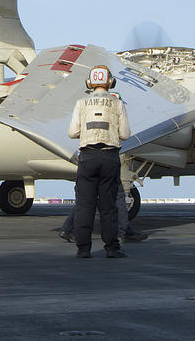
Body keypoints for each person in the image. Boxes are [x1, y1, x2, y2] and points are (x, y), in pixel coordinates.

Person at [68, 65, 130, 258]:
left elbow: (72, 133)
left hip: (87, 157)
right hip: (109, 157)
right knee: (108, 206)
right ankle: (111, 248)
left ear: (90, 82)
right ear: (110, 82)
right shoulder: (117, 103)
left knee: (84, 205)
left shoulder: (81, 103)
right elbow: (125, 134)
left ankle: (83, 249)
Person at [58, 184, 148, 243]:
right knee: (118, 195)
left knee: (85, 199)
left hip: (86, 165)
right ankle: (121, 232)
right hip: (105, 163)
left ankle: (67, 229)